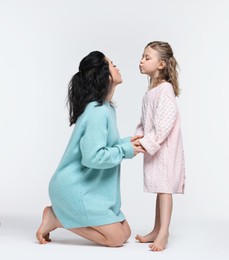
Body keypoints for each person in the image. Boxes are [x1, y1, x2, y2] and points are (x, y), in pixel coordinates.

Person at [36, 51, 144, 247]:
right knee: (117, 238)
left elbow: (103, 146)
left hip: (89, 189)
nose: (117, 67)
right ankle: (56, 219)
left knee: (125, 232)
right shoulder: (98, 112)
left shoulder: (106, 108)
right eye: (113, 64)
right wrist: (124, 150)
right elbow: (92, 157)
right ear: (104, 75)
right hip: (74, 188)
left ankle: (60, 216)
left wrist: (128, 143)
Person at [134, 41, 185, 251]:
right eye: (142, 56)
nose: (141, 60)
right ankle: (156, 229)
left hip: (165, 150)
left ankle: (164, 232)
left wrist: (147, 142)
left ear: (161, 64)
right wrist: (137, 137)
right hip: (155, 148)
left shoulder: (165, 89)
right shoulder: (150, 92)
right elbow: (145, 121)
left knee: (165, 190)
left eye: (147, 57)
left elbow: (165, 122)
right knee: (159, 188)